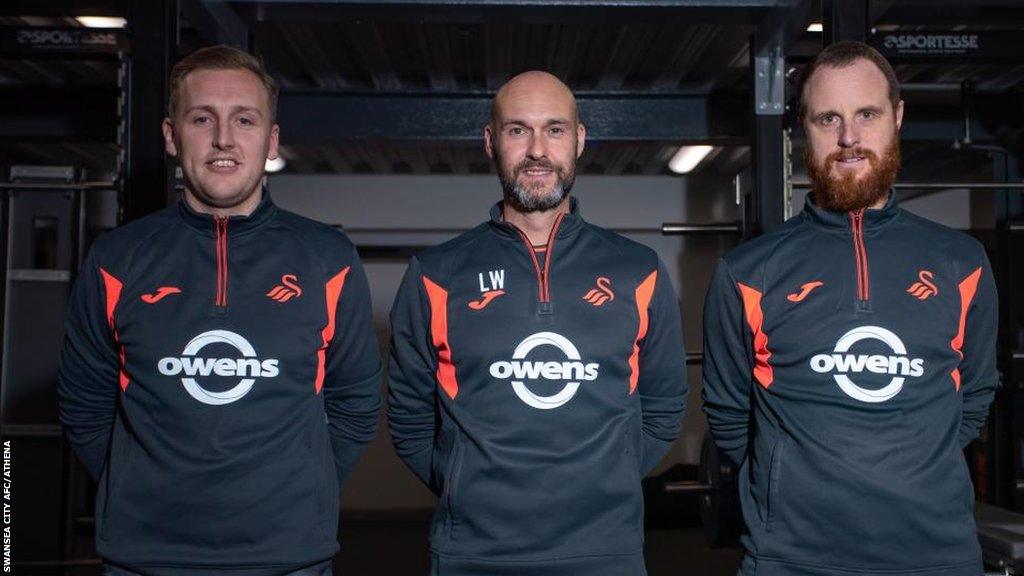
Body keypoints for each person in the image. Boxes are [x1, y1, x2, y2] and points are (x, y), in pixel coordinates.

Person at [58, 45, 382, 575]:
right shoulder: (117, 260)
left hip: (289, 559)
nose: (224, 139)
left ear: (271, 140)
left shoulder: (327, 258)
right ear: (170, 135)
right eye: (202, 118)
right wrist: (138, 487)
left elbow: (357, 406)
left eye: (245, 120)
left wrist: (300, 489)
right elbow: (83, 405)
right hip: (144, 559)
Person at [703, 41, 997, 576]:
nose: (848, 138)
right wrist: (787, 486)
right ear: (803, 129)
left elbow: (973, 397)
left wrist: (914, 471)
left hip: (935, 557)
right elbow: (729, 417)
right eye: (828, 118)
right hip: (790, 561)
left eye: (867, 114)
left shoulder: (963, 263)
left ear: (898, 116)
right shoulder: (748, 272)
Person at [387, 70, 687, 576]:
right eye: (517, 130)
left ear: (579, 140)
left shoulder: (638, 270)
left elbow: (664, 407)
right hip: (473, 557)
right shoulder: (435, 275)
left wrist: (608, 477)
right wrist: (466, 484)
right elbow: (409, 419)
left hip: (606, 553)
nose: (537, 150)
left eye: (554, 129)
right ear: (490, 142)